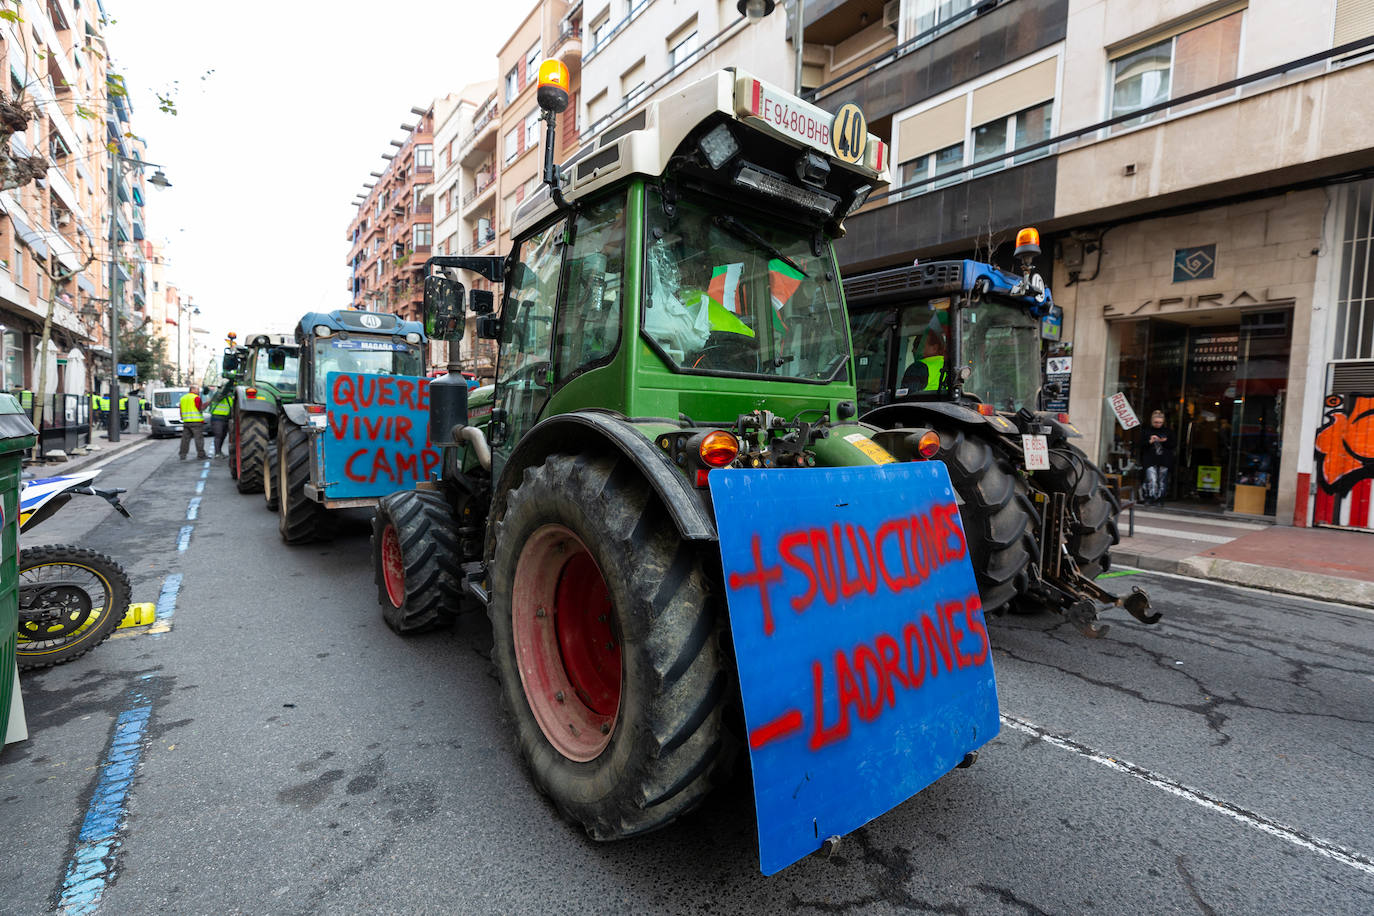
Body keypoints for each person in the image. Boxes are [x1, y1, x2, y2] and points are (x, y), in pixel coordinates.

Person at [1139, 410, 1176, 506]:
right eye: (1156, 422)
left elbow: (1173, 445)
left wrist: (1163, 441)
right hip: (1150, 458)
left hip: (1164, 459)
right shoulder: (1146, 431)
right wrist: (1150, 441)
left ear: (1163, 422)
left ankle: (1160, 499)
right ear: (1152, 421)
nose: (1158, 424)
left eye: (1160, 422)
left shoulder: (1168, 432)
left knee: (1162, 480)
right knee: (1151, 478)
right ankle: (1149, 497)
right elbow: (1140, 445)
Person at [205, 383, 234, 459]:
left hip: (225, 419)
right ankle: (217, 453)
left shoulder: (230, 396)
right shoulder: (218, 395)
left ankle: (219, 452)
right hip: (217, 418)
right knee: (218, 435)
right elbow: (221, 395)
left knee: (223, 436)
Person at [178, 388, 207, 460]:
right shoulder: (196, 398)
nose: (198, 391)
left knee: (185, 439)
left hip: (186, 422)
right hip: (196, 422)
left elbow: (181, 409)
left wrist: (182, 417)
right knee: (198, 439)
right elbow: (200, 409)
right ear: (193, 390)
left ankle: (182, 455)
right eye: (197, 389)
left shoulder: (183, 398)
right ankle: (201, 455)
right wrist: (206, 404)